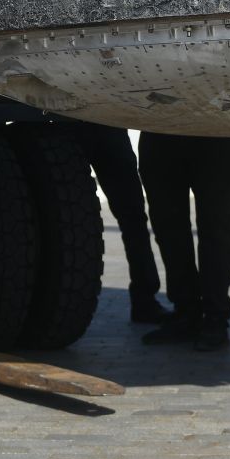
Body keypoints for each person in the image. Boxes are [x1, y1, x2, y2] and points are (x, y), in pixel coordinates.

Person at [137, 131, 230, 351]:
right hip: (159, 130)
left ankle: (216, 317)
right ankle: (186, 312)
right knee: (168, 229)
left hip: (214, 131)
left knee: (217, 229)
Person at [70, 126, 166, 323]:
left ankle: (144, 299)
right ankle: (144, 298)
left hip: (102, 128)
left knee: (133, 219)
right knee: (132, 221)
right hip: (88, 127)